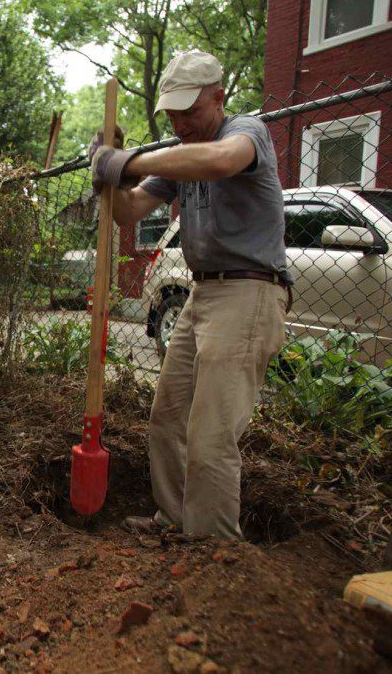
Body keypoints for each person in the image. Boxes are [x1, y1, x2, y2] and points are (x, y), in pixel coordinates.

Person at [90, 50, 290, 539]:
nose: (179, 123)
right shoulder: (181, 155)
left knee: (211, 434)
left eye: (189, 111)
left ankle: (213, 550)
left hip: (249, 291)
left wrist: (129, 159)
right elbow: (129, 212)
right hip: (202, 293)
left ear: (219, 97)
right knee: (168, 417)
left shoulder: (244, 133)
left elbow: (221, 162)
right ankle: (175, 518)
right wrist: (112, 176)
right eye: (172, 114)